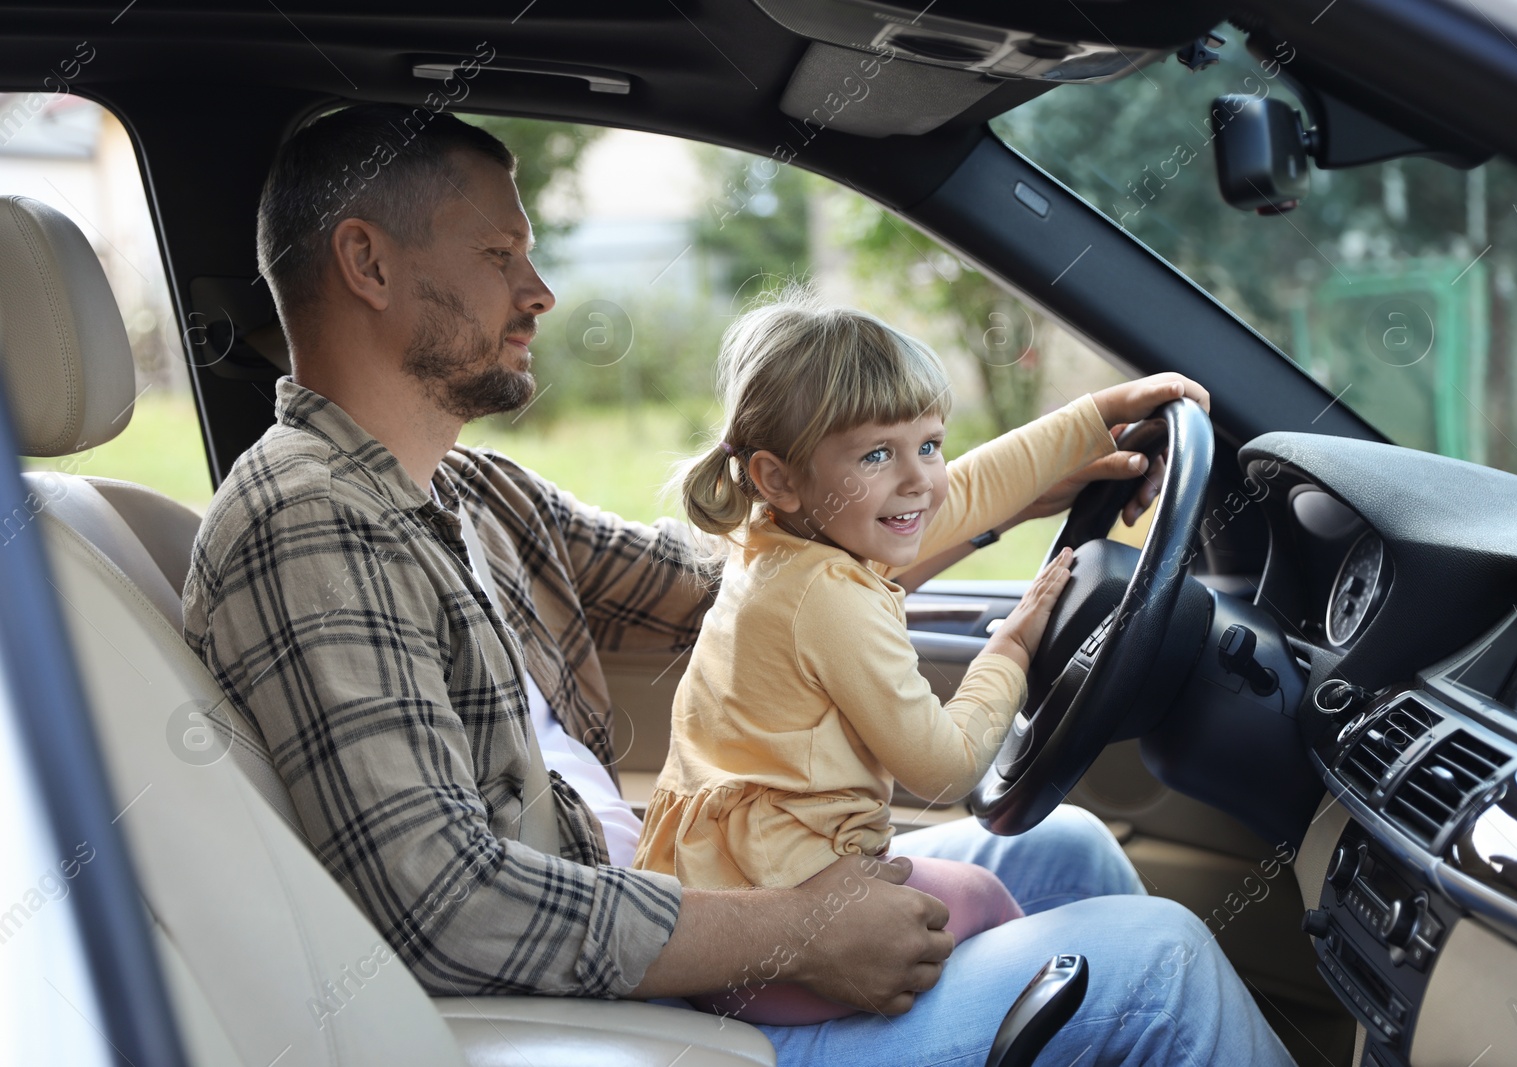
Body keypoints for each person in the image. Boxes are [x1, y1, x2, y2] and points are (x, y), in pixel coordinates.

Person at [183, 102, 1295, 1066]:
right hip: (600, 1011)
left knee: (1070, 850)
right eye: (499, 256)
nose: (543, 290)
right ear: (368, 264)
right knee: (1162, 965)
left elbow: (761, 575)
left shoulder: (473, 494)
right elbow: (446, 902)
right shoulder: (305, 522)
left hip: (670, 894)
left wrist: (1039, 465)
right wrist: (794, 931)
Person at [632, 294, 1201, 1026]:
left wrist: (1093, 416)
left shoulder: (779, 542)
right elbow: (946, 765)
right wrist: (1011, 649)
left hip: (729, 890)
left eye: (929, 443)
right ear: (780, 477)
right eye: (877, 454)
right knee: (983, 900)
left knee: (1063, 853)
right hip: (780, 939)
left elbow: (958, 492)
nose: (920, 479)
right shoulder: (830, 596)